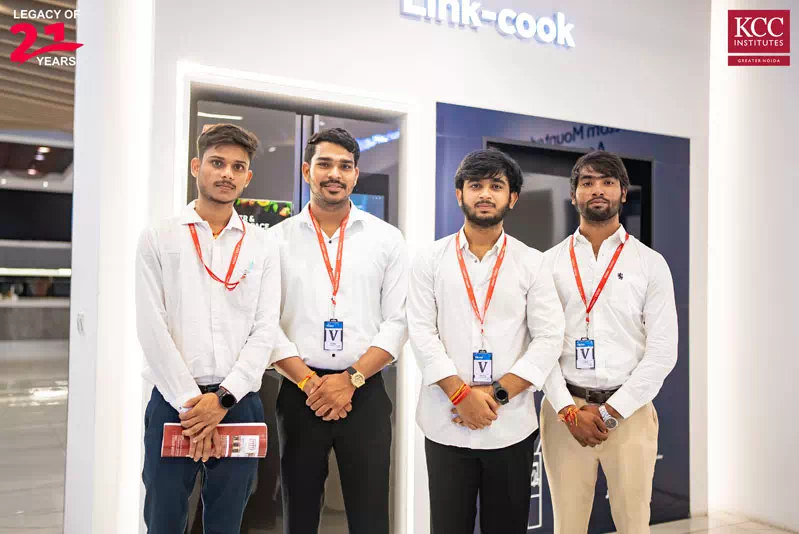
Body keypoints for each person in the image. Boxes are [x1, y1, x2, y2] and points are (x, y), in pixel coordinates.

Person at [407, 148, 565, 534]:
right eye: (475, 185)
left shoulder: (532, 262)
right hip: (445, 423)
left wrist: (494, 395)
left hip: (510, 427)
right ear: (459, 193)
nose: (485, 194)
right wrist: (461, 395)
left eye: (496, 186)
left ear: (512, 197)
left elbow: (548, 337)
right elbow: (422, 332)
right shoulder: (429, 259)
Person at [136, 123, 280, 534]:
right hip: (172, 402)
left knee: (228, 521)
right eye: (217, 163)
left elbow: (265, 329)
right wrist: (192, 405)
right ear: (197, 166)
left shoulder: (262, 245)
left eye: (238, 167)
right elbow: (151, 326)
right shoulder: (159, 237)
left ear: (247, 177)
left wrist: (222, 400)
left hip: (239, 402)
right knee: (164, 519)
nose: (227, 174)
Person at [268, 128, 408, 534]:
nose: (335, 174)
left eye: (345, 166)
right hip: (300, 394)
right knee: (299, 516)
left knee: (370, 517)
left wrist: (351, 380)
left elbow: (398, 321)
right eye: (325, 164)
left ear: (355, 175)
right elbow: (265, 323)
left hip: (365, 393)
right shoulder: (275, 241)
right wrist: (311, 383)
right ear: (306, 171)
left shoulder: (386, 239)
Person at [541, 150, 678, 534]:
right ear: (574, 195)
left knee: (634, 525)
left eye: (608, 182)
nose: (597, 190)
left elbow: (663, 351)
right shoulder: (548, 263)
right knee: (568, 526)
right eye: (587, 182)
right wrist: (568, 411)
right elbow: (539, 346)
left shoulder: (650, 263)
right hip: (565, 414)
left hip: (630, 412)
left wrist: (611, 411)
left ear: (623, 193)